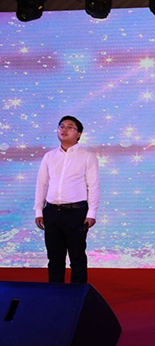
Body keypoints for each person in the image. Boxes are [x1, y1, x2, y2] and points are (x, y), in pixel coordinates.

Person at [34, 116, 100, 283]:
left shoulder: (87, 156)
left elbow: (93, 186)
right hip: (51, 212)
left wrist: (92, 213)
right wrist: (38, 210)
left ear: (79, 134)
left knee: (77, 257)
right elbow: (42, 184)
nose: (64, 130)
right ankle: (56, 293)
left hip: (76, 212)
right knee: (54, 258)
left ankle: (77, 294)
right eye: (61, 126)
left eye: (70, 127)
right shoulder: (49, 156)